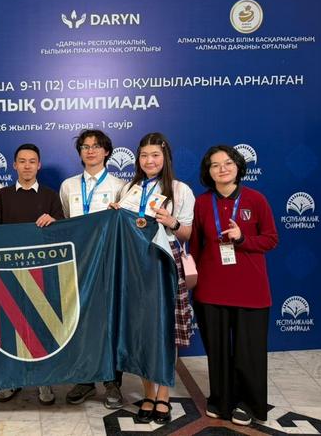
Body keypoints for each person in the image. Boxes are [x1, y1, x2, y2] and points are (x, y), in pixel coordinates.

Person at [189, 145, 278, 426]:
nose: (222, 169)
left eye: (228, 163)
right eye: (215, 165)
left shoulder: (256, 199)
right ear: (208, 172)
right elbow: (195, 245)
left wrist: (242, 239)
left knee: (248, 353)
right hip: (211, 289)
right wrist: (192, 278)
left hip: (250, 289)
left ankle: (248, 403)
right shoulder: (202, 203)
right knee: (217, 351)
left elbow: (271, 239)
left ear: (238, 166)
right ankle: (221, 399)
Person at [110, 132, 195, 423]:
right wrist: (115, 214)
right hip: (134, 263)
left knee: (165, 326)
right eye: (144, 155)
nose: (149, 161)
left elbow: (187, 234)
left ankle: (164, 395)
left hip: (164, 260)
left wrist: (172, 222)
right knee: (142, 326)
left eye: (155, 155)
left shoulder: (180, 189)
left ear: (165, 157)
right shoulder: (128, 188)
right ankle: (148, 392)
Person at [0, 143, 65, 406]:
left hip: (43, 273)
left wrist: (55, 222)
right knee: (10, 328)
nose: (27, 166)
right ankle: (12, 379)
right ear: (14, 165)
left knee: (42, 328)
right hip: (9, 275)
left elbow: (63, 231)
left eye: (32, 161)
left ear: (39, 165)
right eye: (22, 161)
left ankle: (44, 380)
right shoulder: (2, 195)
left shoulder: (51, 196)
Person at [58, 129, 125, 409]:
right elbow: (66, 221)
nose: (90, 151)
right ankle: (85, 380)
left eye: (96, 146)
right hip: (77, 263)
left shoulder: (121, 185)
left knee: (109, 321)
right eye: (85, 147)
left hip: (108, 261)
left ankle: (112, 382)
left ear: (106, 151)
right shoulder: (68, 186)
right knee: (80, 320)